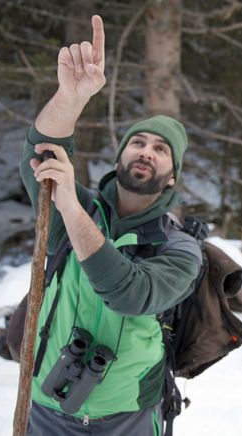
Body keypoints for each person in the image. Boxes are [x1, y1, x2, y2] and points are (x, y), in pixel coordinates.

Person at [19, 15, 202, 435]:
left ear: (172, 176)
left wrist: (69, 206)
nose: (146, 151)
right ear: (120, 156)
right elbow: (39, 152)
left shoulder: (180, 246)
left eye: (160, 149)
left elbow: (130, 293)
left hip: (129, 417)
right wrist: (70, 97)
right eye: (137, 142)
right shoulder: (76, 204)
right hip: (48, 409)